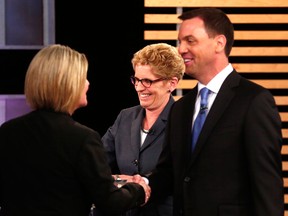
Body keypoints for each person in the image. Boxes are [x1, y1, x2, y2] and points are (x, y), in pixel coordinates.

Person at [146, 7, 284, 216]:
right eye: (180, 41)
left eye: (190, 41)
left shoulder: (254, 101)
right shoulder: (180, 108)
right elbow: (168, 174)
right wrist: (141, 185)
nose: (181, 49)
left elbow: (267, 187)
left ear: (219, 43)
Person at [0, 44, 151, 216]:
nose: (88, 83)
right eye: (83, 77)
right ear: (68, 84)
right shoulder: (82, 138)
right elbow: (110, 201)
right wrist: (138, 190)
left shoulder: (7, 132)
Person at [101, 43, 185, 216]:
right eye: (137, 80)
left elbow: (180, 178)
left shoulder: (182, 122)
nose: (139, 87)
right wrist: (119, 181)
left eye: (147, 81)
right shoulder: (125, 117)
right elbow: (98, 163)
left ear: (172, 83)